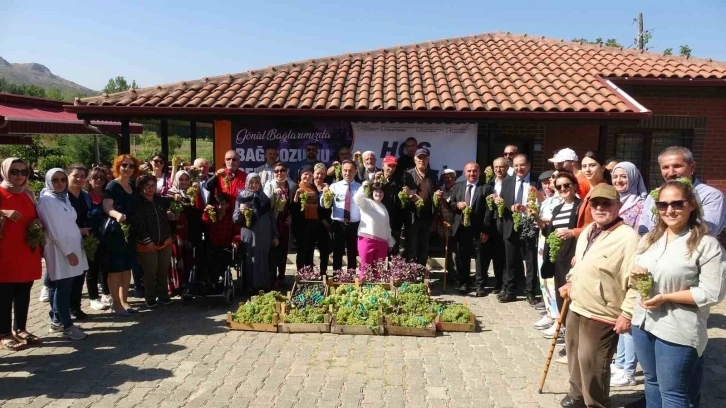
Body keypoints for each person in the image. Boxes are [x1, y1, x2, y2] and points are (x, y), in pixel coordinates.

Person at [630, 180, 726, 407]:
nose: (669, 210)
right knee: (652, 383)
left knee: (674, 394)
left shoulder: (706, 245)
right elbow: (633, 276)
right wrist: (635, 276)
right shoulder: (649, 239)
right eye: (663, 205)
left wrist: (666, 297)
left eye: (677, 204)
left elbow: (713, 293)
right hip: (643, 322)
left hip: (677, 328)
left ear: (691, 204)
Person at [558, 184, 639, 408]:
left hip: (603, 311)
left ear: (618, 206)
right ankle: (577, 396)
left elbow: (636, 282)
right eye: (595, 203)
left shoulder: (628, 237)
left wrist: (628, 312)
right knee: (574, 355)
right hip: (577, 304)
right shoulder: (588, 230)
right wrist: (571, 279)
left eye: (607, 203)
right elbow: (581, 261)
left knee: (593, 362)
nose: (600, 208)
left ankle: (595, 403)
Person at [532, 171, 580, 360]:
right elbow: (548, 233)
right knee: (561, 301)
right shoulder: (558, 208)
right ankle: (568, 342)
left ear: (575, 186)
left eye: (567, 185)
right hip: (558, 258)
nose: (563, 189)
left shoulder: (580, 206)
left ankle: (574, 347)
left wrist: (571, 233)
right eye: (559, 187)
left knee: (573, 302)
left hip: (573, 257)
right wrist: (536, 218)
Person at [37, 168, 89, 340]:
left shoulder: (63, 197)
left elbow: (69, 223)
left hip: (72, 246)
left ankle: (59, 321)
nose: (60, 183)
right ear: (49, 182)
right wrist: (69, 253)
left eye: (62, 180)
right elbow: (55, 231)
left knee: (62, 286)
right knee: (63, 288)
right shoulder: (47, 201)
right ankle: (67, 326)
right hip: (61, 251)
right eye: (55, 180)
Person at [609, 161, 648, 387]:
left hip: (633, 263)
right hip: (616, 263)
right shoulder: (615, 201)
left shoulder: (642, 204)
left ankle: (629, 371)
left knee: (630, 317)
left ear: (633, 177)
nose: (619, 181)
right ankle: (621, 361)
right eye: (616, 177)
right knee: (620, 315)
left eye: (624, 177)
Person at [0, 158, 43, 351]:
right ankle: (4, 333)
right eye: (14, 172)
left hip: (26, 251)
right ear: (5, 172)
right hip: (5, 253)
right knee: (4, 295)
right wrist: (2, 212)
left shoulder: (28, 193)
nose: (19, 176)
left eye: (23, 172)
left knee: (24, 292)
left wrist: (39, 224)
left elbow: (36, 216)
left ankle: (21, 328)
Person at [637, 146, 726, 237]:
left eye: (677, 166)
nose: (671, 173)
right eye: (665, 167)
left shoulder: (711, 196)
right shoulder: (653, 197)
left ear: (692, 167)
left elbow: (705, 232)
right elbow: (643, 231)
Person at [497, 154, 541, 304]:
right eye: (516, 166)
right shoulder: (507, 181)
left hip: (529, 224)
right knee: (510, 260)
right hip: (511, 225)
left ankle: (530, 292)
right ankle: (511, 291)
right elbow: (503, 203)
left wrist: (527, 209)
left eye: (522, 165)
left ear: (528, 165)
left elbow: (542, 202)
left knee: (530, 259)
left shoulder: (537, 181)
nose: (519, 168)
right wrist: (505, 205)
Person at [448, 162, 494, 297]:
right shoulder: (458, 187)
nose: (472, 174)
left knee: (481, 260)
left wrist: (486, 230)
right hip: (462, 230)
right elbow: (450, 204)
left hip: (479, 230)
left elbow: (489, 211)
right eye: (469, 171)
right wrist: (457, 204)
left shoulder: (486, 188)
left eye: (474, 171)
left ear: (479, 172)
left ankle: (480, 286)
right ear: (464, 173)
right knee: (462, 259)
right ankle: (464, 283)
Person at [103, 154, 141, 316]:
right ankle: (116, 304)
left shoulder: (132, 185)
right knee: (115, 269)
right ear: (118, 167)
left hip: (130, 232)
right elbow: (107, 206)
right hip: (116, 232)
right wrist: (116, 215)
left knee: (127, 269)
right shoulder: (113, 185)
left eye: (131, 166)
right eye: (124, 165)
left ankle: (124, 301)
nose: (127, 169)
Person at [131, 174, 175, 308]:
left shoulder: (161, 200)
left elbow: (179, 203)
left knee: (163, 271)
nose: (150, 189)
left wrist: (173, 213)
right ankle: (150, 297)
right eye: (147, 186)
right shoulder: (137, 203)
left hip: (165, 241)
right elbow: (138, 224)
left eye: (153, 185)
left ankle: (163, 295)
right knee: (150, 272)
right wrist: (147, 240)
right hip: (147, 244)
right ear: (141, 187)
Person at [233, 173, 279, 291]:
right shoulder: (241, 198)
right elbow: (235, 219)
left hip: (264, 233)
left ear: (260, 184)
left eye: (257, 182)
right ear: (247, 183)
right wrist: (241, 211)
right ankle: (249, 286)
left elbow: (271, 218)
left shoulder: (265, 198)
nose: (254, 185)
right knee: (249, 257)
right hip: (249, 233)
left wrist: (275, 235)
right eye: (251, 182)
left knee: (263, 258)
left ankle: (263, 285)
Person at [402, 148, 440, 265]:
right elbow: (403, 194)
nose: (422, 160)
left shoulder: (433, 175)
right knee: (412, 248)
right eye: (419, 157)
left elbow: (436, 196)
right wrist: (409, 196)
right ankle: (411, 277)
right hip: (412, 218)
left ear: (428, 159)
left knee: (424, 249)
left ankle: (422, 276)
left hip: (427, 218)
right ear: (415, 159)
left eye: (424, 158)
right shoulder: (407, 174)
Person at [323, 160, 361, 271]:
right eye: (345, 170)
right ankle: (336, 278)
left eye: (350, 170)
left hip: (354, 225)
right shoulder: (334, 186)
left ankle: (351, 278)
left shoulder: (360, 188)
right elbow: (323, 203)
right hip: (338, 225)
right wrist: (325, 193)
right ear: (341, 171)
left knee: (352, 252)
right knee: (337, 252)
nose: (347, 173)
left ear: (355, 172)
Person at [66, 164, 93, 318]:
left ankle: (75, 307)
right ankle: (63, 310)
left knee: (80, 274)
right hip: (67, 240)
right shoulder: (62, 197)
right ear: (68, 175)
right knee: (67, 276)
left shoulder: (86, 196)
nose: (79, 179)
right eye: (75, 175)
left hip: (83, 239)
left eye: (83, 176)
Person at [354, 180, 395, 278]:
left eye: (381, 192)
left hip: (382, 243)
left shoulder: (383, 207)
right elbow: (357, 198)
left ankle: (377, 292)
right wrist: (365, 185)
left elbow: (386, 226)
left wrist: (389, 240)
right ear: (372, 192)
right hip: (367, 240)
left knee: (379, 271)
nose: (378, 194)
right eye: (376, 191)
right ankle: (362, 291)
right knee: (366, 269)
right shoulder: (367, 203)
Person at [264, 162, 296, 283]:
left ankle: (282, 278)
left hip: (286, 223)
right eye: (276, 171)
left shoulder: (292, 185)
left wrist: (292, 216)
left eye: (282, 170)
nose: (279, 173)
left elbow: (295, 205)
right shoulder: (269, 184)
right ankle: (272, 278)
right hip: (273, 221)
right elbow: (265, 205)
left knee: (284, 249)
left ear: (287, 172)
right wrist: (273, 193)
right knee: (273, 249)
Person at [85, 166, 112, 310]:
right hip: (91, 236)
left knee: (105, 266)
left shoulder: (107, 194)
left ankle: (106, 294)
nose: (99, 180)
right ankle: (93, 298)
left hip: (107, 235)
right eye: (95, 177)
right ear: (89, 180)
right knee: (92, 268)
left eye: (102, 177)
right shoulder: (85, 196)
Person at [291, 166, 324, 275]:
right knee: (302, 250)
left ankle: (309, 274)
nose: (308, 176)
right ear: (301, 175)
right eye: (305, 174)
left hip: (313, 223)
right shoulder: (296, 187)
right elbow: (291, 207)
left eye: (310, 175)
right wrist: (296, 196)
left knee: (310, 250)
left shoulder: (313, 188)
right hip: (301, 223)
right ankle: (300, 274)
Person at [573, 151, 611, 239]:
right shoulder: (590, 190)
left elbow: (603, 223)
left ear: (602, 168)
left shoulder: (604, 190)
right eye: (584, 166)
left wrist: (574, 232)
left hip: (597, 240)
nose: (587, 170)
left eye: (592, 165)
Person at [201, 193, 235, 288]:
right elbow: (205, 220)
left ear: (227, 205)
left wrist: (235, 241)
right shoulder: (212, 215)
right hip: (212, 247)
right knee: (206, 258)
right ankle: (208, 282)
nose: (220, 207)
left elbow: (237, 233)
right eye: (217, 204)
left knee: (219, 259)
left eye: (223, 204)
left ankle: (214, 282)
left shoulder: (231, 217)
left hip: (226, 248)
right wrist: (206, 211)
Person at [379, 156, 404, 256]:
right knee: (379, 250)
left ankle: (391, 271)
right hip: (378, 221)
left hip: (393, 222)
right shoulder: (376, 180)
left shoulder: (398, 183)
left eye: (393, 166)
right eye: (389, 165)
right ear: (383, 165)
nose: (391, 168)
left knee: (393, 250)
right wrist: (376, 182)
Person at [312, 163, 333, 275]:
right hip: (311, 222)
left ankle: (323, 272)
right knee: (310, 250)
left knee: (324, 249)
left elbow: (329, 206)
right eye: (317, 173)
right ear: (313, 174)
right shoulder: (309, 187)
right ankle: (309, 273)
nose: (319, 176)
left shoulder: (328, 188)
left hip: (324, 224)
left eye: (322, 174)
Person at [438, 168, 458, 280]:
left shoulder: (459, 190)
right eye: (445, 178)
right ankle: (450, 275)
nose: (447, 179)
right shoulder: (440, 191)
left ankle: (458, 276)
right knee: (446, 252)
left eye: (450, 177)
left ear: (455, 178)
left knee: (456, 253)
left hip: (455, 226)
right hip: (443, 227)